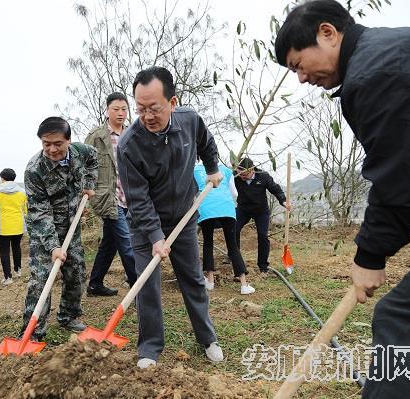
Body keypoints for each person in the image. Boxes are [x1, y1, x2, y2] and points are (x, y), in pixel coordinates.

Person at [275, 1, 410, 397]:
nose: (300, 78)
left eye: (299, 64)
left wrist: (370, 256)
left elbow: (397, 177)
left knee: (404, 320)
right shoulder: (390, 55)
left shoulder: (376, 72)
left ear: (328, 33)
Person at [118, 66, 224, 368]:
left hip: (184, 216)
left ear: (173, 103)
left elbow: (206, 142)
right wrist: (155, 237)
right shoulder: (129, 144)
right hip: (143, 225)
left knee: (192, 278)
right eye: (140, 109)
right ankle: (150, 348)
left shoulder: (189, 121)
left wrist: (213, 167)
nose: (147, 116)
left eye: (154, 108)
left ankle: (207, 338)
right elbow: (137, 198)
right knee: (147, 285)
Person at [21, 117, 97, 340]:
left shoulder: (82, 151)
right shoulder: (34, 170)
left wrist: (89, 186)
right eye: (46, 144)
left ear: (69, 141)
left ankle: (69, 316)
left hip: (72, 224)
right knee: (41, 279)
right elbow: (39, 212)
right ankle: (33, 332)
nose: (52, 149)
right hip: (43, 230)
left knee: (76, 271)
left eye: (57, 144)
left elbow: (93, 160)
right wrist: (53, 246)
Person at [84, 92, 137, 296]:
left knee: (110, 243)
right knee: (126, 243)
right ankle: (138, 288)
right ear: (107, 110)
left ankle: (95, 284)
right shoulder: (96, 136)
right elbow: (84, 166)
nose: (121, 113)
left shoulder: (131, 134)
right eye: (116, 109)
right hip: (107, 198)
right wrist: (87, 194)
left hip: (128, 197)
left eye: (124, 109)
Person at [193, 163, 255, 294]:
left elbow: (192, 192)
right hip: (226, 208)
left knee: (208, 244)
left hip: (206, 209)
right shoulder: (226, 170)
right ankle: (244, 285)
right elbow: (234, 193)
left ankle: (210, 281)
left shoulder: (195, 170)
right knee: (232, 245)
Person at [234, 158, 288, 274]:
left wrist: (283, 201)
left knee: (263, 236)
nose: (242, 177)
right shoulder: (235, 176)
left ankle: (263, 266)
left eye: (244, 174)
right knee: (233, 229)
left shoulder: (263, 176)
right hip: (243, 208)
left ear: (252, 169)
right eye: (240, 174)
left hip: (261, 211)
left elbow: (275, 189)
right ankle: (234, 257)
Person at [0, 168, 27, 284]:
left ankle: (8, 277)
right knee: (16, 247)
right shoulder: (22, 192)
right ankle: (18, 270)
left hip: (3, 225)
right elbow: (25, 210)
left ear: (2, 178)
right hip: (18, 224)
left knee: (4, 251)